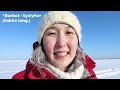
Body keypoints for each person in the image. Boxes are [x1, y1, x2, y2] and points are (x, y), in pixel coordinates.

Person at [12, 11, 97, 79]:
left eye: (69, 32)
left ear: (78, 42)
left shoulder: (90, 75)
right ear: (41, 43)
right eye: (52, 33)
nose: (61, 43)